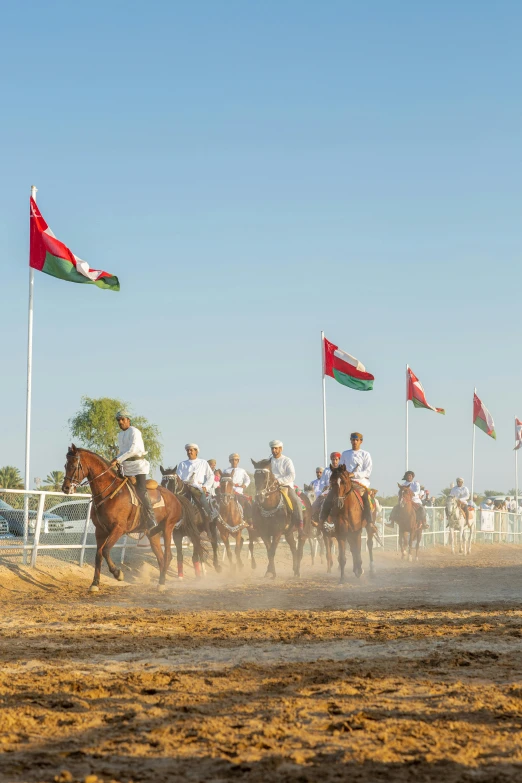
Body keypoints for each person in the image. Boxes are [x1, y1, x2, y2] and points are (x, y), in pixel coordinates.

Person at [110, 410, 156, 531]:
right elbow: (122, 451)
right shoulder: (120, 435)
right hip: (126, 467)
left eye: (122, 419)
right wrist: (115, 460)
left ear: (128, 420)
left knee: (141, 490)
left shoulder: (134, 431)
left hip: (138, 466)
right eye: (118, 420)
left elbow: (133, 450)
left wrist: (118, 459)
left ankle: (151, 517)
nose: (120, 422)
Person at [320, 433, 373, 526]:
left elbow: (367, 472)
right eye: (353, 440)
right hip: (345, 481)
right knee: (330, 496)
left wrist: (354, 474)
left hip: (360, 482)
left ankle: (370, 523)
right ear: (350, 441)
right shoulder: (345, 453)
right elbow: (340, 468)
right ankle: (322, 521)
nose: (354, 442)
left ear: (361, 441)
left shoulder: (366, 454)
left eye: (357, 440)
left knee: (365, 497)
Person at [176, 444, 218, 523]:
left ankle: (209, 513)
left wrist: (206, 487)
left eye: (191, 450)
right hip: (184, 487)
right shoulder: (182, 464)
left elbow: (211, 476)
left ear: (196, 451)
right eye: (188, 450)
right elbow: (178, 478)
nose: (189, 452)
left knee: (202, 498)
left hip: (197, 487)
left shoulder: (203, 462)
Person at [269, 439, 303, 528]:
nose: (274, 451)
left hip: (286, 486)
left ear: (281, 449)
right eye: (272, 448)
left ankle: (300, 524)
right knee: (258, 500)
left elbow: (292, 476)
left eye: (276, 448)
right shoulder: (269, 461)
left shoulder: (287, 460)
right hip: (271, 487)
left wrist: (278, 481)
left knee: (297, 501)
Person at [311, 452, 340, 523]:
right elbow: (322, 483)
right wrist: (325, 487)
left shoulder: (342, 470)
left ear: (339, 460)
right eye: (333, 459)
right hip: (328, 492)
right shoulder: (326, 471)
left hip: (340, 492)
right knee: (314, 506)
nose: (334, 461)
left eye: (336, 459)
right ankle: (318, 522)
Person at [222, 453, 252, 522]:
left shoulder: (242, 470)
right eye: (232, 460)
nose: (234, 461)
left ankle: (250, 520)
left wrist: (244, 485)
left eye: (236, 460)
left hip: (238, 491)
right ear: (230, 461)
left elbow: (248, 479)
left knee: (247, 502)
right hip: (228, 492)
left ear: (238, 461)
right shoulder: (226, 470)